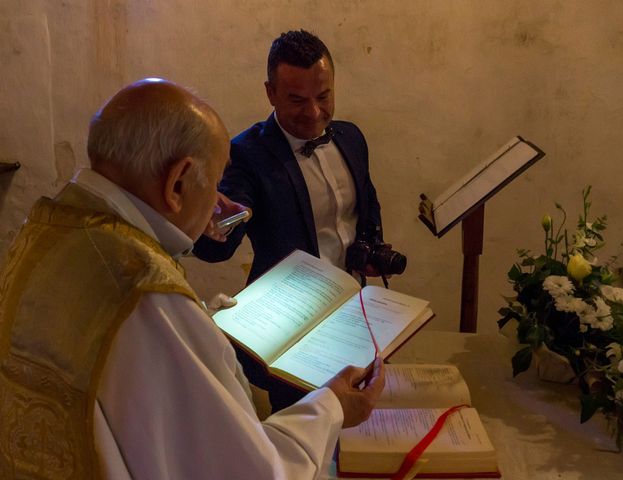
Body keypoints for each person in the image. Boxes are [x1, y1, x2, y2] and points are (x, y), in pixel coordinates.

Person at [0, 78, 384, 479]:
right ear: (177, 182)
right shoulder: (147, 295)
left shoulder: (48, 228)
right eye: (216, 182)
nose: (219, 198)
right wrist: (333, 407)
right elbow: (249, 470)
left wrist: (197, 316)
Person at [193, 29, 386, 412]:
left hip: (355, 314)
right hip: (292, 333)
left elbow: (367, 206)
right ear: (270, 93)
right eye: (297, 100)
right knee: (301, 439)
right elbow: (220, 244)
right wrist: (212, 221)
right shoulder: (247, 153)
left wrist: (370, 250)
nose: (314, 112)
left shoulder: (351, 138)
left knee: (365, 430)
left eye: (324, 96)